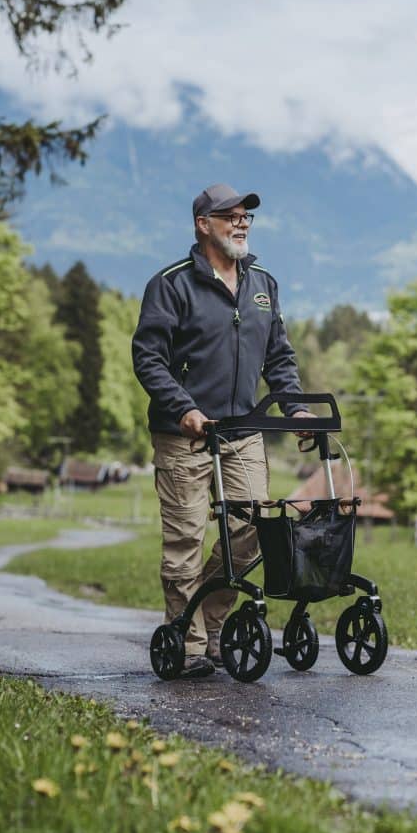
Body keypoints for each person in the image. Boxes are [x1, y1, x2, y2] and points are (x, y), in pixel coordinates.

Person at [132, 183, 308, 678]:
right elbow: (148, 357)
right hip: (185, 434)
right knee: (186, 539)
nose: (241, 222)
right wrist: (182, 408)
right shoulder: (171, 285)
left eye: (246, 216)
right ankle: (186, 643)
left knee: (250, 531)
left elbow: (279, 357)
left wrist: (294, 410)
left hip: (243, 432)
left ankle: (209, 625)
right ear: (202, 225)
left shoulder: (263, 283)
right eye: (229, 215)